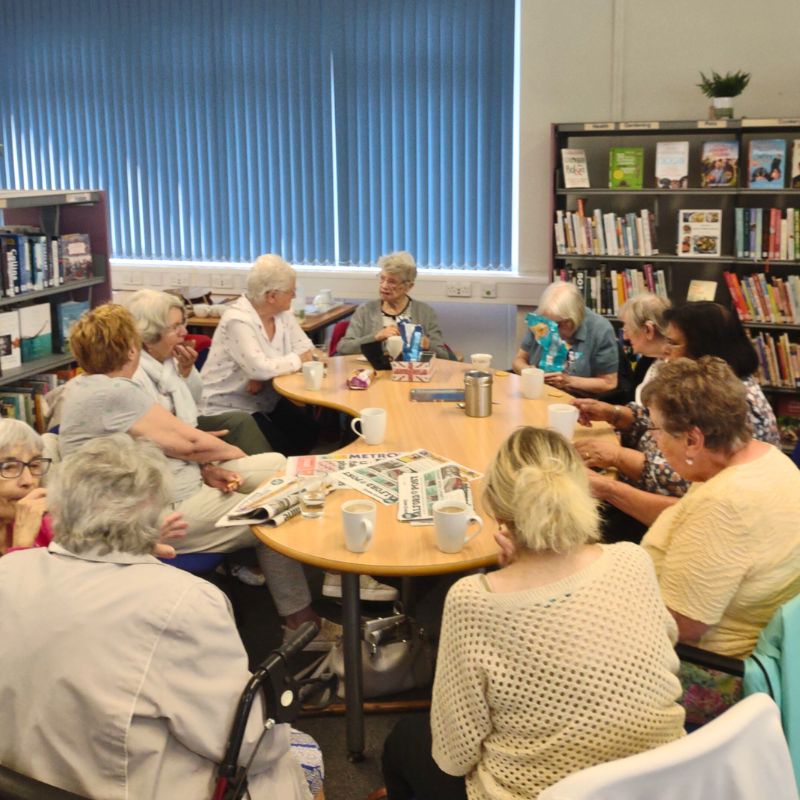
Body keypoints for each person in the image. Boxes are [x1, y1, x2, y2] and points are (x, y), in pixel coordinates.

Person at [0, 435, 323, 800]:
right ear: (155, 512)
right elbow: (250, 745)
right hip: (122, 785)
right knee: (295, 752)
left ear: (57, 507)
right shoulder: (182, 600)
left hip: (23, 778)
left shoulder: (10, 568)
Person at [379, 427, 684, 800]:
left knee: (403, 741)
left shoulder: (474, 600)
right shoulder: (632, 559)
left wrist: (512, 575)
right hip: (661, 782)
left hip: (539, 792)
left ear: (498, 510)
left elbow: (454, 756)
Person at [60, 303, 336, 647]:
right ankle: (302, 623)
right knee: (272, 515)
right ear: (131, 348)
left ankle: (324, 577)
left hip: (159, 492)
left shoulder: (87, 387)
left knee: (279, 469)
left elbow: (172, 445)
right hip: (143, 517)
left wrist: (206, 467)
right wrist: (229, 455)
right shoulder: (114, 392)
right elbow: (188, 443)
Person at [639, 357, 800, 718]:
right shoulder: (769, 459)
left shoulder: (725, 505)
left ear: (693, 439)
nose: (657, 442)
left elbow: (682, 626)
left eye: (659, 431)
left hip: (712, 671)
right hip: (760, 656)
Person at [577, 301, 780, 532]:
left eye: (673, 343)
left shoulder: (735, 402)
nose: (664, 350)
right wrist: (611, 413)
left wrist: (615, 459)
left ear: (705, 348)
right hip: (651, 502)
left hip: (680, 521)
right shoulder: (702, 385)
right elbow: (658, 418)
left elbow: (680, 484)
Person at [200, 254, 326, 457]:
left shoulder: (282, 313)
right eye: (290, 291)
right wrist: (291, 362)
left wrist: (266, 372)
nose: (294, 295)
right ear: (271, 296)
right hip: (228, 404)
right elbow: (260, 368)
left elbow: (306, 349)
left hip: (266, 398)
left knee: (309, 432)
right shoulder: (238, 320)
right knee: (278, 452)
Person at [127, 288, 274, 455]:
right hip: (163, 444)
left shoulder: (170, 358)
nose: (185, 332)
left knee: (240, 421)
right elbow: (152, 434)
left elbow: (196, 398)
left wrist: (187, 370)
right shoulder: (134, 374)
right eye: (175, 327)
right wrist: (196, 439)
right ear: (149, 336)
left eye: (183, 323)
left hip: (185, 425)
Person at [335, 251, 450, 359]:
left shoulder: (425, 312)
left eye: (392, 282)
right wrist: (375, 337)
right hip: (374, 373)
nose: (384, 286)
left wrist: (427, 344)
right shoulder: (365, 310)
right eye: (382, 278)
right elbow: (344, 347)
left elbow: (444, 355)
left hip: (411, 374)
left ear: (408, 287)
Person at [512, 281, 619, 395]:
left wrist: (569, 381)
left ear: (576, 317)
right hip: (538, 392)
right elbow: (518, 360)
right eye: (549, 324)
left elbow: (609, 383)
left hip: (578, 400)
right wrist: (528, 371)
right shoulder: (541, 319)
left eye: (560, 324)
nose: (553, 330)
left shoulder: (600, 329)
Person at [0, 419, 52, 553]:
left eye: (34, 465)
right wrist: (22, 545)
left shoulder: (43, 523)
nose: (28, 481)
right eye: (8, 467)